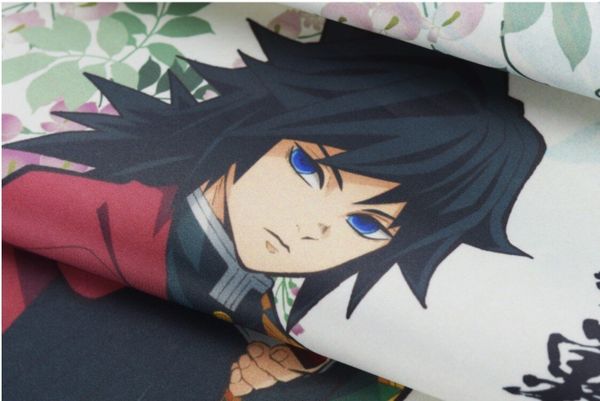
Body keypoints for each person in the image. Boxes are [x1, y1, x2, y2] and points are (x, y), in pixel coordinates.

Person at [2, 18, 545, 400]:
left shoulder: (279, 318)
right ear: (258, 132)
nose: (312, 228)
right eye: (309, 169)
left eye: (364, 223)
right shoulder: (84, 210)